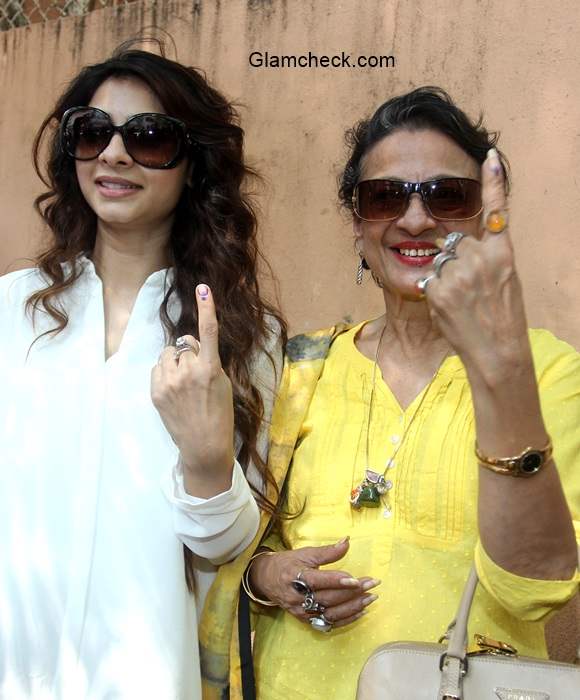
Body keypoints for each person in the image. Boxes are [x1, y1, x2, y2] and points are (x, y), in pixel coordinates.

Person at [198, 87, 579, 699]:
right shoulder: (300, 369)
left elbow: (533, 590)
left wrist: (502, 369)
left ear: (482, 213)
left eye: (447, 195)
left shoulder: (550, 373)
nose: (416, 218)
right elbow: (241, 547)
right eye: (386, 196)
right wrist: (270, 577)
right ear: (358, 224)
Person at [0, 45, 284, 699]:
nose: (115, 155)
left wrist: (208, 458)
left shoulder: (242, 338)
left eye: (150, 137)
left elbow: (224, 548)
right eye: (91, 133)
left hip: (146, 677)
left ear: (195, 166)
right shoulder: (13, 310)